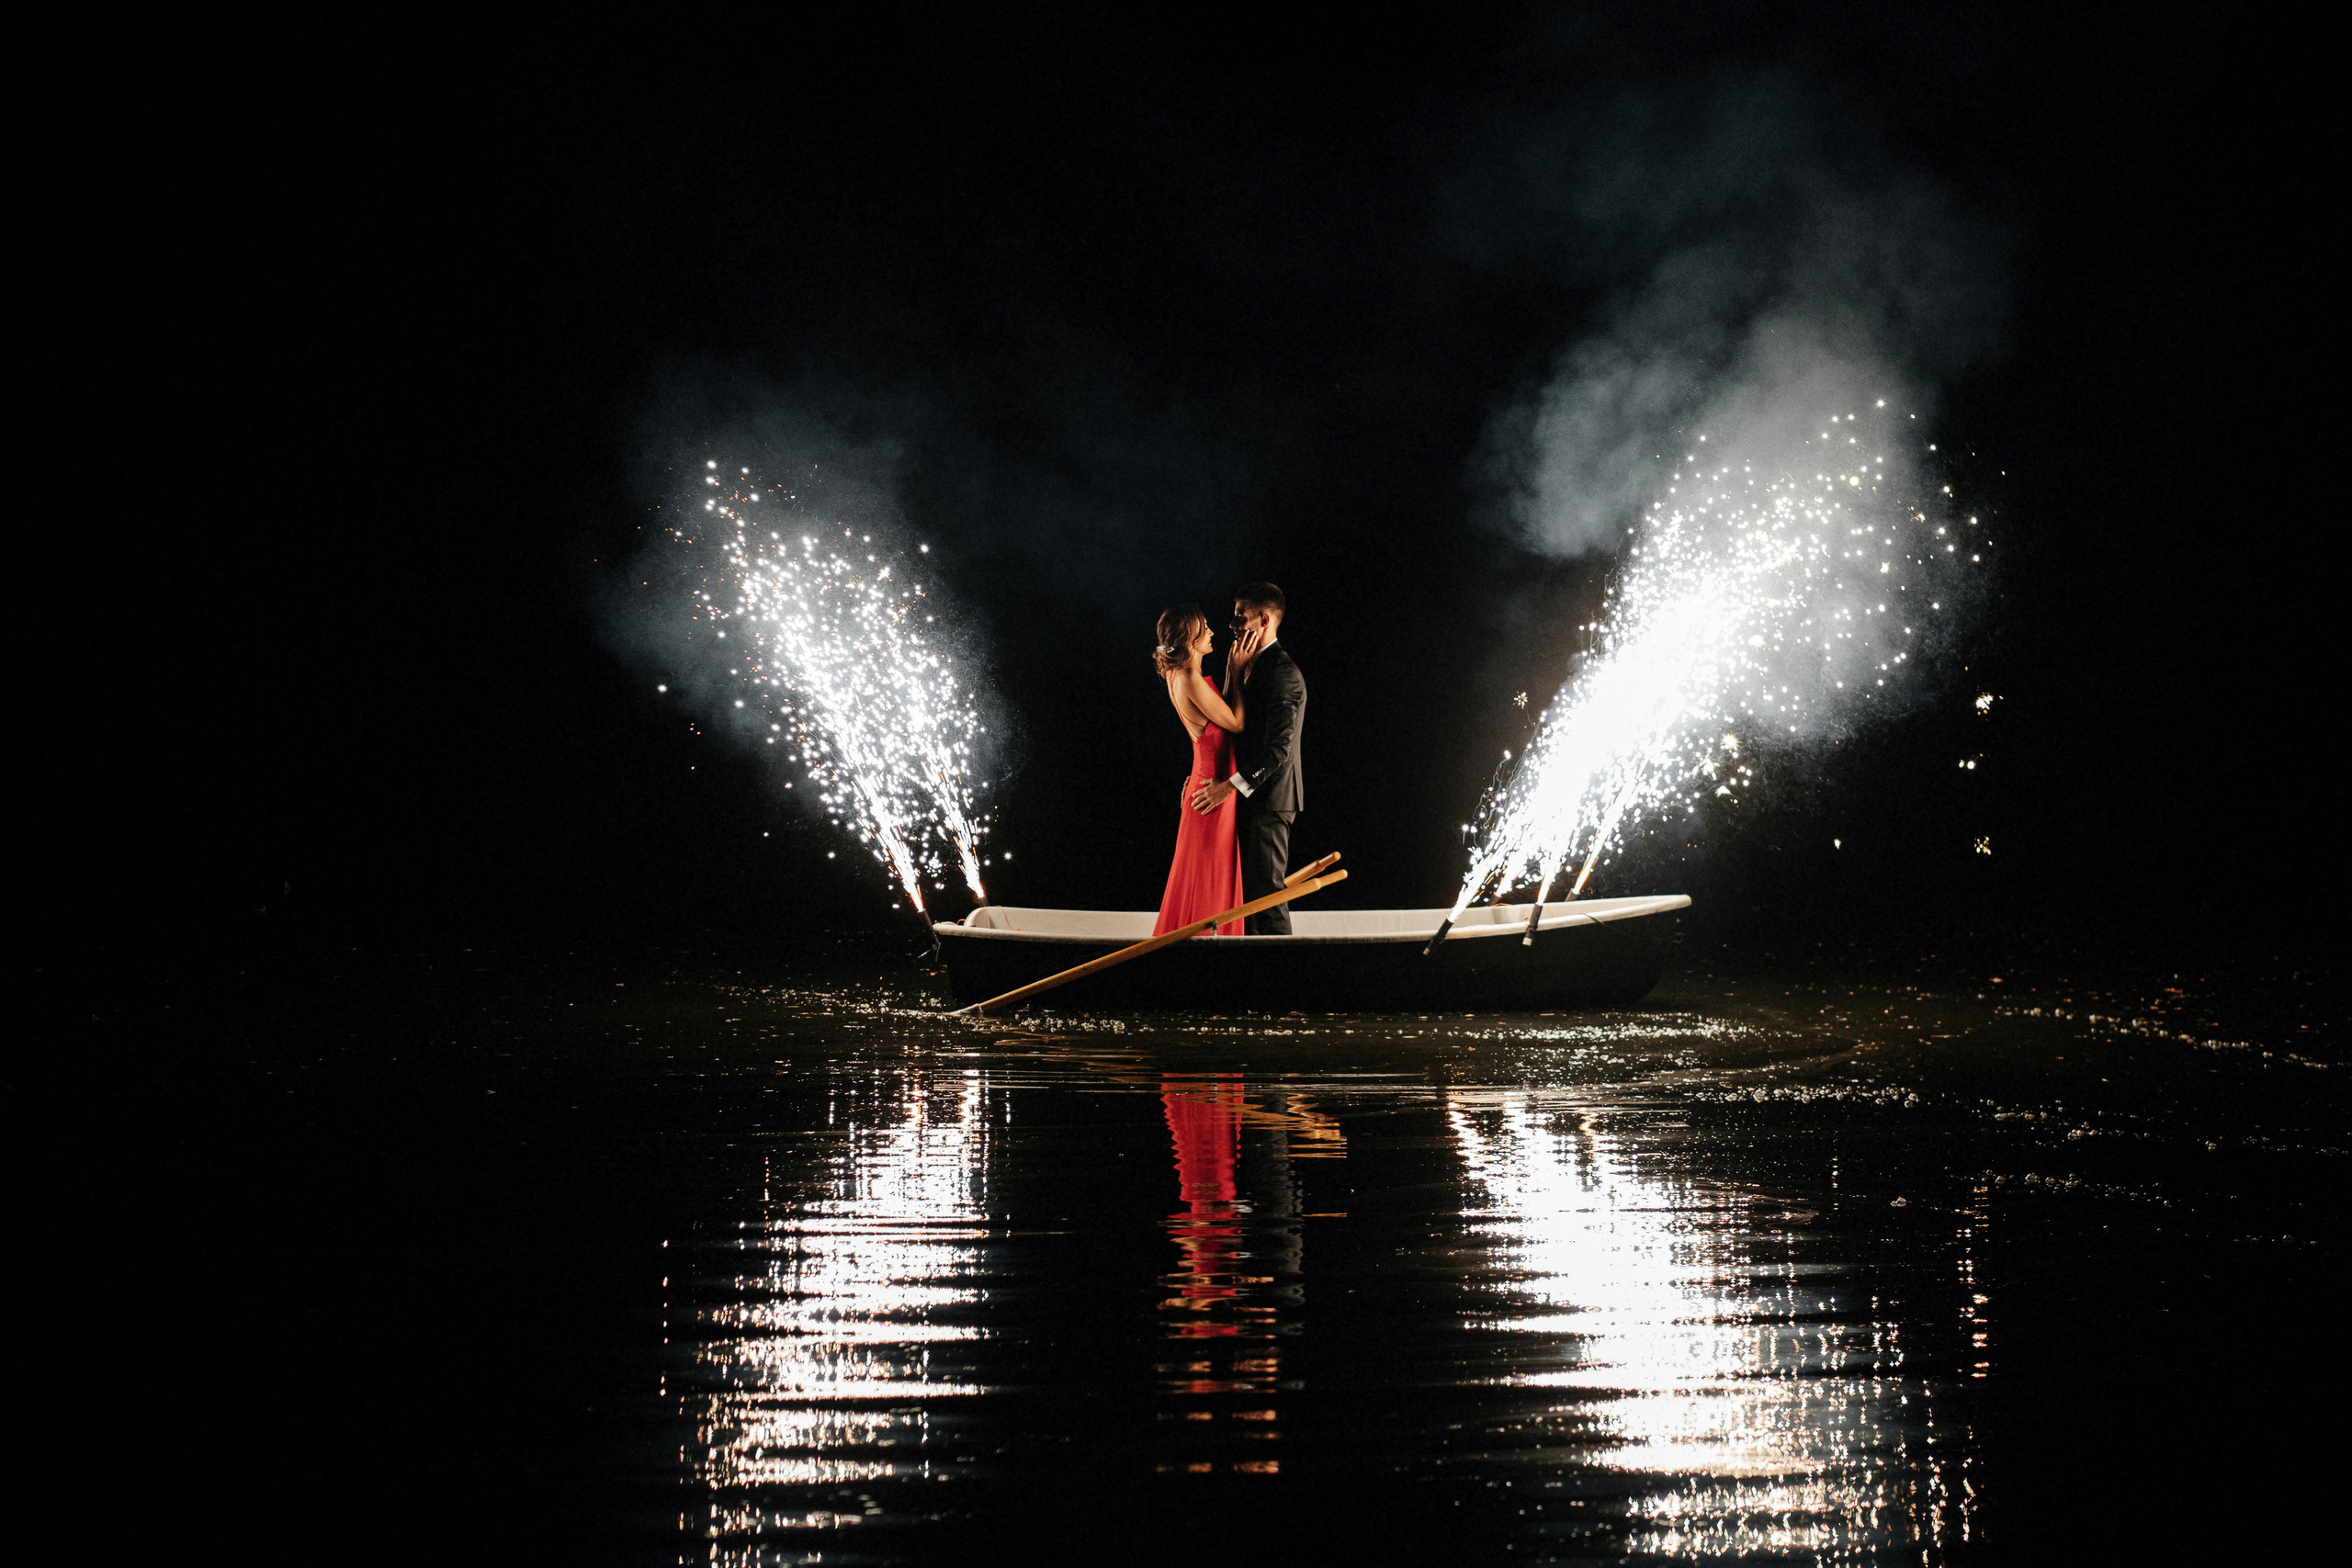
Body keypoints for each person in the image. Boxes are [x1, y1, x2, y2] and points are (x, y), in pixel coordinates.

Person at [1188, 583, 1305, 934]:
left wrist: (1229, 787)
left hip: (1270, 803)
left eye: (1241, 615)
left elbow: (1278, 751)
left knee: (1266, 898)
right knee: (1246, 901)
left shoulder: (1285, 675)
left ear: (1264, 619)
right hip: (1247, 799)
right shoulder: (1247, 664)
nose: (1232, 623)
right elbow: (1228, 724)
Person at [1149, 604, 1250, 935]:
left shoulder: (1175, 674)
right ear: (1190, 640)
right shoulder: (1190, 678)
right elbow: (1235, 722)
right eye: (1204, 628)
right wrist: (1236, 671)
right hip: (1213, 792)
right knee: (1208, 879)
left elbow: (1206, 727)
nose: (1212, 632)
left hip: (1203, 780)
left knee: (1199, 876)